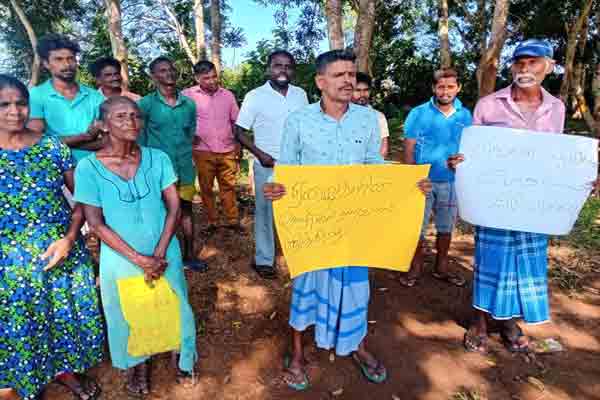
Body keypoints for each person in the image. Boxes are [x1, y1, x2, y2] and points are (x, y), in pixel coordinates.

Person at [264, 50, 432, 391]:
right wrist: (275, 186)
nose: (347, 81)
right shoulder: (298, 120)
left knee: (355, 288)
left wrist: (408, 184)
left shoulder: (367, 120)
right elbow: (287, 169)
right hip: (313, 224)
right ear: (320, 81)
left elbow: (373, 166)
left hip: (356, 223)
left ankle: (357, 345)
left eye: (351, 74)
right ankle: (297, 353)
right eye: (339, 75)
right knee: (306, 286)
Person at [73, 96, 198, 396]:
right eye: (120, 116)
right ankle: (138, 363)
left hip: (163, 247)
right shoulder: (88, 168)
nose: (131, 121)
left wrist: (159, 253)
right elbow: (95, 223)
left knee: (174, 302)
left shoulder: (158, 158)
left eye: (135, 116)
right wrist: (140, 260)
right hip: (120, 255)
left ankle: (181, 356)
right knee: (128, 310)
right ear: (103, 125)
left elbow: (174, 207)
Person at [448, 40, 565, 353]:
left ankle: (509, 321)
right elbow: (473, 151)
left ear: (549, 66)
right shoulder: (488, 105)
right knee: (491, 258)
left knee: (525, 261)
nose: (525, 68)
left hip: (534, 201)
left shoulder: (557, 108)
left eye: (533, 62)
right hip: (495, 200)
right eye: (519, 62)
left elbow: (557, 157)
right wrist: (460, 162)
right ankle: (479, 321)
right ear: (512, 67)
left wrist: (579, 177)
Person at [0, 75, 104, 400]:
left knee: (62, 316)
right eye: (4, 104)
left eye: (21, 103)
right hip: (9, 261)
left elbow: (82, 197)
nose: (15, 111)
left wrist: (70, 239)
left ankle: (64, 372)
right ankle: (26, 380)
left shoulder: (51, 145)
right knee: (20, 322)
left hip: (60, 250)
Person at [235, 50, 309, 279]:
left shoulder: (300, 94)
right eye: (278, 65)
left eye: (288, 66)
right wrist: (261, 155)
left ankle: (298, 254)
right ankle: (264, 260)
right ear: (268, 69)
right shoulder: (255, 96)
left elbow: (307, 126)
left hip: (297, 164)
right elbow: (239, 132)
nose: (283, 70)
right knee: (266, 213)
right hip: (267, 165)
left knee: (298, 210)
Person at [398, 68, 472, 288]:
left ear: (458, 88)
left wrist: (462, 159)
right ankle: (415, 267)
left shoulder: (465, 115)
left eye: (450, 87)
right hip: (423, 182)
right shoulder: (418, 113)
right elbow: (409, 146)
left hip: (451, 181)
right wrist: (411, 177)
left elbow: (470, 147)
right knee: (416, 228)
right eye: (441, 87)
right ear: (433, 88)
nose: (445, 91)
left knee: (445, 227)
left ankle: (441, 266)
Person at [138, 57, 207, 271]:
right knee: (160, 213)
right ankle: (160, 256)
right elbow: (140, 138)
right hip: (156, 171)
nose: (168, 73)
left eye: (171, 69)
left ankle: (189, 256)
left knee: (186, 209)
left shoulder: (189, 104)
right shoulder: (146, 104)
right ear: (153, 76)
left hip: (185, 167)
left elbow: (190, 133)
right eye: (162, 70)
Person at [182, 61, 240, 233]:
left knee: (228, 186)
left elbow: (235, 121)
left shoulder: (227, 95)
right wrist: (189, 135)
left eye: (214, 76)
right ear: (197, 78)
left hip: (227, 149)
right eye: (206, 78)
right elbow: (180, 119)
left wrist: (238, 145)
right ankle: (212, 221)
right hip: (202, 150)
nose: (212, 81)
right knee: (206, 188)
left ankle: (232, 220)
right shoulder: (187, 95)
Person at [27, 34, 105, 162]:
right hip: (54, 167)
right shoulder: (36, 95)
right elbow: (35, 140)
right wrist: (84, 137)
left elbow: (109, 140)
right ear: (46, 64)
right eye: (59, 59)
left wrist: (65, 143)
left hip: (94, 166)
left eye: (71, 58)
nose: (67, 64)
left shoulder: (95, 97)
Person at [351, 72, 390, 158]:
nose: (362, 94)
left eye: (366, 90)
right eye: (357, 90)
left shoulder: (379, 117)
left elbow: (384, 149)